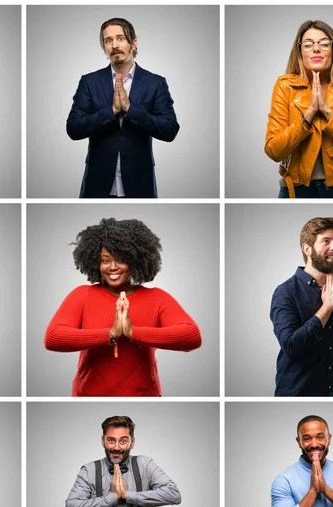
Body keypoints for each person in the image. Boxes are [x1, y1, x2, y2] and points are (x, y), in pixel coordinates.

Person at [44, 217, 202, 396]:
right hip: (88, 399)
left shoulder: (157, 298)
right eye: (105, 260)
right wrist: (110, 334)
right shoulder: (83, 295)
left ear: (135, 262)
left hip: (144, 399)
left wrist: (132, 332)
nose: (112, 267)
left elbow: (192, 336)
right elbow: (53, 338)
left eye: (120, 260)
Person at [66, 17, 179, 198]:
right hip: (97, 185)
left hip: (139, 184)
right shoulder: (89, 82)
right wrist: (110, 112)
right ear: (104, 47)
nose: (114, 45)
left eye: (120, 38)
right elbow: (73, 128)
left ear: (133, 44)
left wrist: (130, 109)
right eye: (108, 40)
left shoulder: (155, 83)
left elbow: (170, 129)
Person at [265, 20, 333, 198]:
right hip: (294, 189)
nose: (316, 49)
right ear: (300, 52)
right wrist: (309, 114)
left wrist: (326, 111)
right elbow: (273, 150)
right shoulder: (284, 86)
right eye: (308, 44)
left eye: (323, 43)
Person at [270, 217, 333, 396]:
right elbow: (292, 347)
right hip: (295, 394)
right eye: (326, 241)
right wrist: (326, 309)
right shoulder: (286, 292)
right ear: (307, 249)